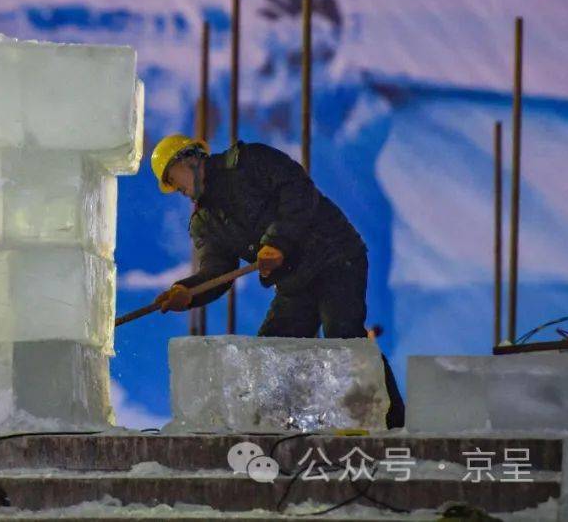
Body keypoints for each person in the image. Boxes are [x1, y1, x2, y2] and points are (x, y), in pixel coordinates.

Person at [150, 133, 405, 428]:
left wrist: (277, 243)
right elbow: (217, 270)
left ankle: (391, 425)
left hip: (334, 255)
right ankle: (279, 433)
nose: (177, 189)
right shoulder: (205, 221)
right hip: (296, 283)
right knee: (273, 352)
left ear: (191, 159)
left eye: (174, 177)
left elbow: (298, 191)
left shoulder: (251, 161)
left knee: (343, 333)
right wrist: (188, 292)